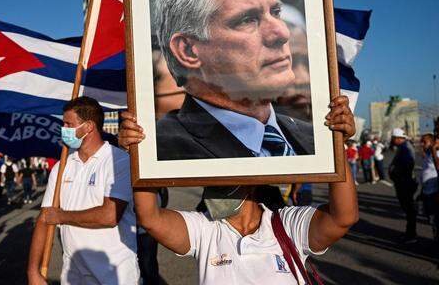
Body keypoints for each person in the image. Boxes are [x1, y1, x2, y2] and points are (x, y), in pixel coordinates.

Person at [119, 95, 358, 284]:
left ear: (250, 184)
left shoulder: (286, 225)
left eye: (224, 180)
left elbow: (343, 217)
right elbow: (150, 218)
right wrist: (141, 155)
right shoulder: (206, 230)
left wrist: (336, 145)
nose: (215, 188)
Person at [152, 0, 314, 160]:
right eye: (248, 19)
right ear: (188, 51)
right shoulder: (161, 152)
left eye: (275, 12)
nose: (282, 33)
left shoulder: (315, 138)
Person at [27, 97, 140, 285]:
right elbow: (45, 218)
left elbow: (109, 215)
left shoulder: (118, 161)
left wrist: (61, 216)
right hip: (73, 274)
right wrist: (33, 271)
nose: (63, 129)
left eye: (68, 123)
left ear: (88, 126)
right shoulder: (62, 166)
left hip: (115, 275)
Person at [388, 128, 418, 243]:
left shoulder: (405, 148)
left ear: (399, 138)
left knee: (409, 209)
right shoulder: (403, 147)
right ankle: (409, 232)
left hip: (405, 182)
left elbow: (407, 165)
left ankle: (411, 235)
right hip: (403, 182)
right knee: (408, 209)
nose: (392, 140)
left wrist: (396, 174)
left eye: (393, 138)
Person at [419, 134, 439, 240]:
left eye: (424, 142)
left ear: (432, 142)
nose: (422, 144)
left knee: (434, 218)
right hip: (426, 191)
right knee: (430, 218)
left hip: (434, 192)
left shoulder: (436, 153)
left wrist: (434, 151)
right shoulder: (427, 154)